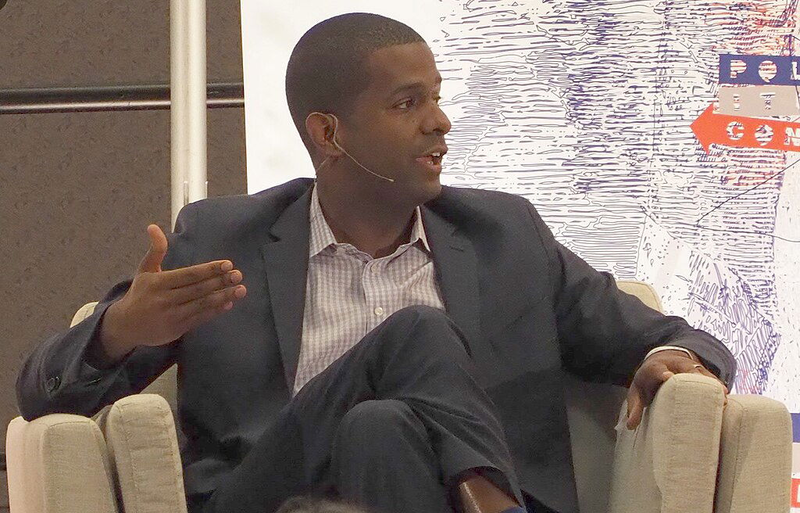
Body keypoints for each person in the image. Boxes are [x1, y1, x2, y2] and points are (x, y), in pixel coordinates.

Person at [16, 12, 736, 513]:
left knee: (381, 427)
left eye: (437, 98)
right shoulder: (222, 238)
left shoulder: (505, 238)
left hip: (421, 492)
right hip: (274, 498)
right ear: (329, 133)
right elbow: (42, 398)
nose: (440, 121)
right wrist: (119, 330)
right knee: (416, 334)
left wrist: (674, 356)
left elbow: (675, 338)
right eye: (407, 103)